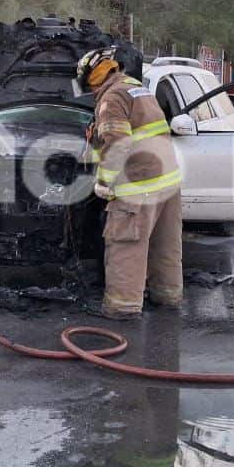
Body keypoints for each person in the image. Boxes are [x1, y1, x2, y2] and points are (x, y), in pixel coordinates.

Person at [76, 48, 183, 320]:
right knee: (165, 244)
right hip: (166, 180)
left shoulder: (112, 97)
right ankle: (167, 295)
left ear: (93, 75)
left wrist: (103, 181)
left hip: (137, 184)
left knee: (126, 244)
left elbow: (118, 143)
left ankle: (122, 307)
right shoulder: (137, 87)